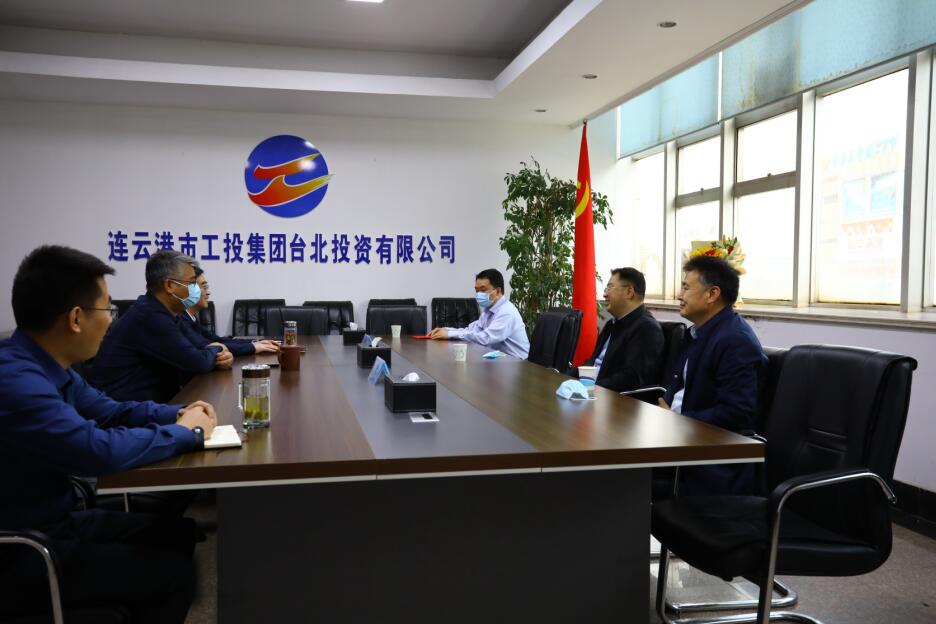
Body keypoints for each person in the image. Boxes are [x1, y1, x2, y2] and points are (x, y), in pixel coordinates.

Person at [0, 245, 217, 623]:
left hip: (59, 519)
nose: (112, 320)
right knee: (172, 573)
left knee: (178, 534)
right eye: (108, 309)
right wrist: (187, 434)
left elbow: (113, 411)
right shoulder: (16, 381)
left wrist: (178, 413)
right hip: (23, 550)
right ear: (76, 318)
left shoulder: (51, 365)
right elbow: (97, 450)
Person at [658, 255, 766, 496]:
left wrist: (677, 420)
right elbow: (679, 386)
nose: (679, 295)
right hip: (679, 442)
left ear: (712, 294)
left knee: (621, 480)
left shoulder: (735, 341)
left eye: (686, 287)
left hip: (708, 463)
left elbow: (736, 412)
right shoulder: (698, 333)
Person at [91, 250, 233, 403]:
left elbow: (199, 346)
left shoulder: (165, 312)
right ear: (170, 285)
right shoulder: (149, 316)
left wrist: (221, 356)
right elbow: (198, 362)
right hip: (125, 409)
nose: (196, 289)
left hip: (152, 404)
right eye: (192, 283)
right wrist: (217, 349)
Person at [581, 267, 664, 393]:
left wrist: (591, 387)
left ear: (629, 292)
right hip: (591, 390)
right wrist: (566, 377)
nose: (605, 295)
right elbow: (592, 361)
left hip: (611, 398)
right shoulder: (611, 324)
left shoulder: (647, 329)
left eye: (610, 288)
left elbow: (631, 379)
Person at [429, 268, 530, 359]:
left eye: (483, 290)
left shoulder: (507, 312)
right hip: (499, 360)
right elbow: (471, 330)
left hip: (518, 364)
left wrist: (449, 334)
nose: (478, 295)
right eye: (477, 291)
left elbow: (486, 338)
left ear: (498, 291)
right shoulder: (489, 310)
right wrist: (446, 330)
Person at [178, 267, 279, 356]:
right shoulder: (181, 319)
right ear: (188, 289)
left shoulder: (191, 317)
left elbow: (217, 340)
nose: (208, 293)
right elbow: (206, 346)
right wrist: (253, 347)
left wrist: (256, 342)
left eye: (206, 287)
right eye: (204, 288)